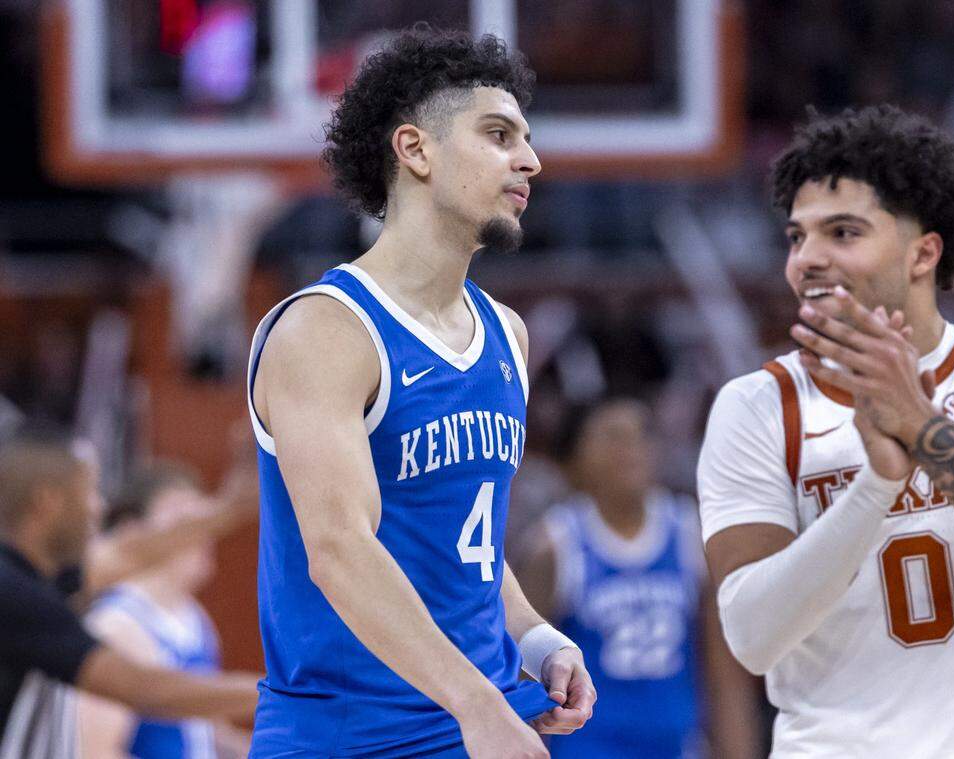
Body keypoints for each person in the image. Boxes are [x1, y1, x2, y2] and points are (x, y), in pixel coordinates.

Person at [698, 105, 954, 758]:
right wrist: (878, 482)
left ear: (923, 252)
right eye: (798, 238)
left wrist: (923, 429)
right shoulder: (756, 406)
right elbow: (752, 635)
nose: (808, 260)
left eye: (843, 232)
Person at [246, 26, 595, 759]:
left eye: (526, 138)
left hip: (480, 718)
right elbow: (340, 548)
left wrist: (535, 636)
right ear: (416, 150)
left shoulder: (507, 333)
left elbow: (464, 545)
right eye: (499, 134)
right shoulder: (327, 330)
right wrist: (476, 703)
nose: (529, 159)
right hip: (352, 737)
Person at [520, 398, 760, 758]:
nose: (630, 449)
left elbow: (724, 673)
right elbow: (524, 675)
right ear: (574, 461)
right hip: (588, 748)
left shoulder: (691, 534)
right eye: (612, 437)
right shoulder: (554, 544)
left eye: (641, 435)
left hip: (677, 747)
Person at [0, 433, 258, 759]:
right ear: (46, 501)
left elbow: (127, 554)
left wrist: (234, 507)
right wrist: (282, 693)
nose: (99, 506)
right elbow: (141, 690)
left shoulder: (34, 577)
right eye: (88, 491)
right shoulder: (15, 595)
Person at [76, 463, 250, 758]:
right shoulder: (117, 625)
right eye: (184, 521)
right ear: (134, 533)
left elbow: (202, 733)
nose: (201, 532)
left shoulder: (194, 618)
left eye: (204, 517)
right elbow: (95, 751)